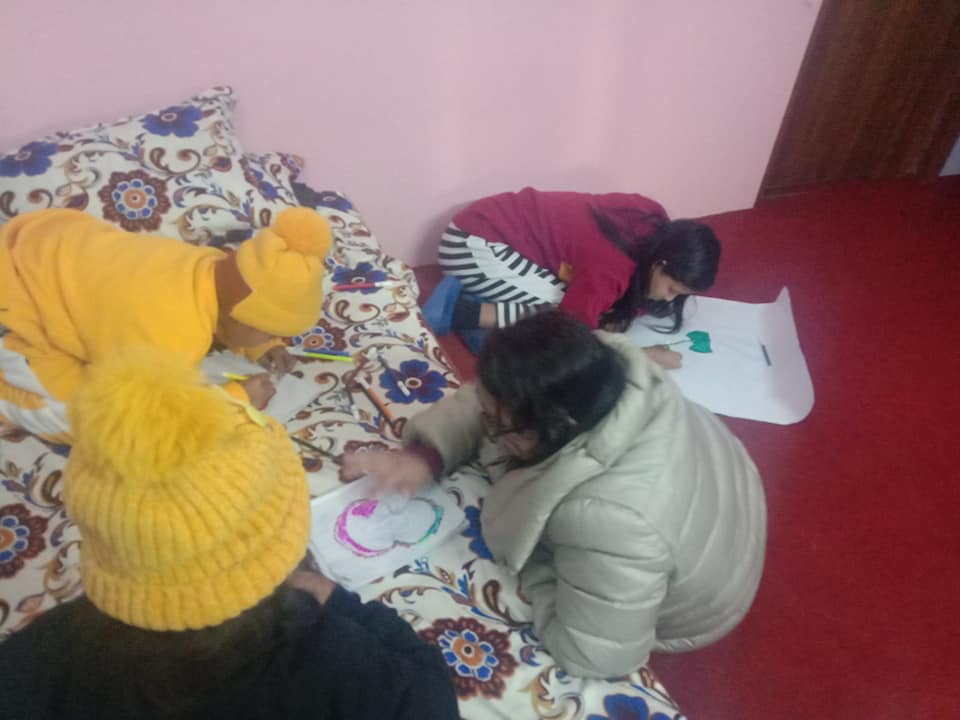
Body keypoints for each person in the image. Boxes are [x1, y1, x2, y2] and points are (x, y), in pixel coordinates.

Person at [0, 352, 460, 720]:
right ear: (283, 545)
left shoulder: (43, 656)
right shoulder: (330, 654)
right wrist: (337, 599)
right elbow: (430, 695)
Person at [342, 311, 766, 679]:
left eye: (498, 425)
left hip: (705, 598)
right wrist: (426, 455)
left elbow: (594, 655)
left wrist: (536, 557)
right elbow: (485, 398)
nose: (487, 428)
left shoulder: (613, 521)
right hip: (722, 489)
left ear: (554, 427)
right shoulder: (590, 365)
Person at [0, 206, 331, 442]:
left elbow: (236, 306)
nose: (274, 338)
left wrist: (262, 344)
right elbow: (150, 419)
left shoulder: (210, 265)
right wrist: (236, 400)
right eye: (270, 330)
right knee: (97, 425)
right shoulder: (172, 336)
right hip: (18, 306)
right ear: (244, 314)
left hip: (44, 249)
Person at [422, 186, 721, 366]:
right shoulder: (613, 266)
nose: (669, 299)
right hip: (471, 248)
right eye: (672, 288)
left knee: (595, 309)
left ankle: (477, 302)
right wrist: (643, 357)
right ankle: (462, 312)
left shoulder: (652, 219)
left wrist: (623, 309)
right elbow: (573, 336)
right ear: (661, 262)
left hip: (483, 230)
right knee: (561, 318)